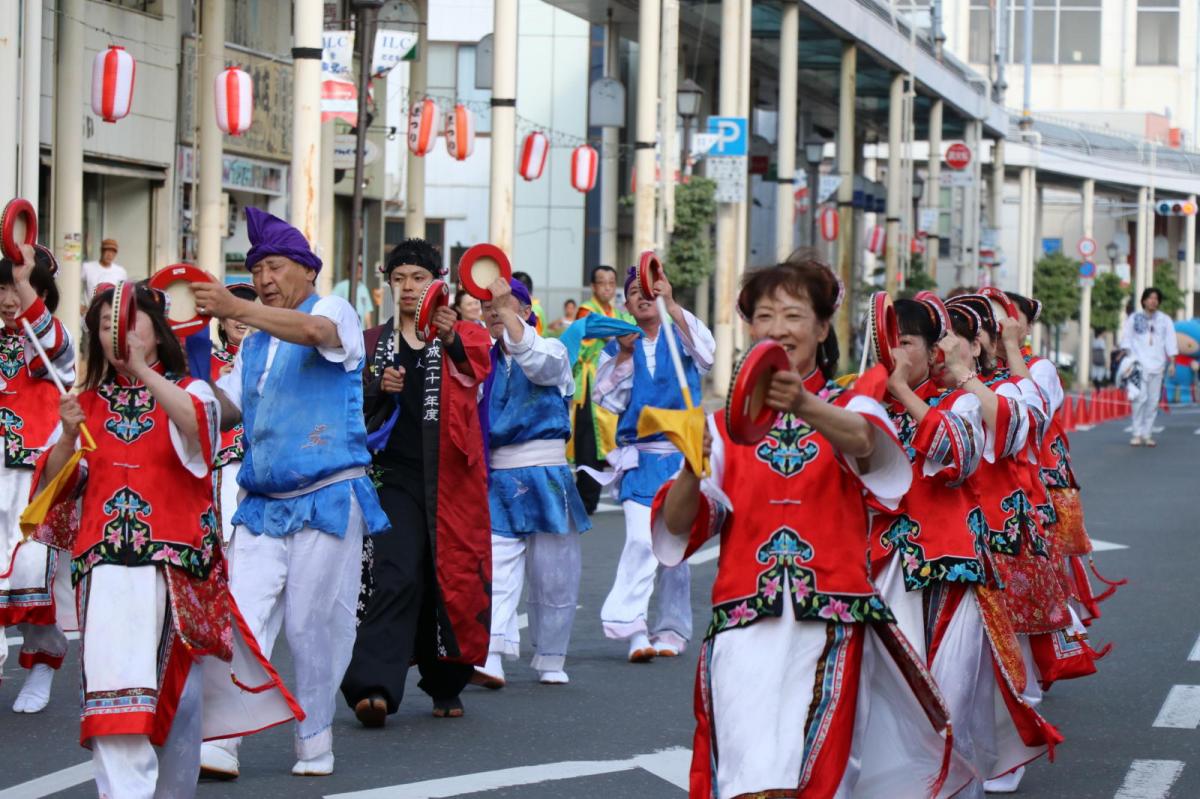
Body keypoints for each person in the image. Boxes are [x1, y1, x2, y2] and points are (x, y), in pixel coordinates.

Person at [654, 259, 967, 798]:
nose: (777, 328)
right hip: (742, 623)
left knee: (817, 776)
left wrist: (802, 402)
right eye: (765, 315)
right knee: (744, 774)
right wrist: (690, 465)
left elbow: (866, 444)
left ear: (822, 329)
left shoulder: (853, 406)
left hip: (830, 620)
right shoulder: (721, 426)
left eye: (793, 315)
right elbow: (680, 526)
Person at [32, 282, 301, 798]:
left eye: (129, 321)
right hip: (105, 571)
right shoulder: (82, 405)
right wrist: (66, 435)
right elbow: (53, 487)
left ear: (157, 332)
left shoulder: (193, 391)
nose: (118, 332)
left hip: (176, 575)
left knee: (178, 707)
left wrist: (142, 372)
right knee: (113, 701)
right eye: (106, 324)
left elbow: (200, 430)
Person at [196, 207, 390, 779]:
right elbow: (224, 409)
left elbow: (313, 335)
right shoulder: (253, 343)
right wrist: (174, 376)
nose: (264, 280)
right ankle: (224, 738)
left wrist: (234, 308)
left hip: (327, 495)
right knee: (240, 619)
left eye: (275, 267)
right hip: (261, 502)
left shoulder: (334, 310)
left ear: (308, 270)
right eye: (256, 270)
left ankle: (314, 739)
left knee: (312, 627)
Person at [340, 237, 492, 725]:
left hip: (452, 478)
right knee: (395, 571)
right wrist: (376, 388)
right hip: (392, 477)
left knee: (450, 576)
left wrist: (449, 337)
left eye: (418, 278)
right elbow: (348, 408)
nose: (408, 287)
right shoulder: (370, 343)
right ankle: (372, 686)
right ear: (387, 284)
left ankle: (446, 681)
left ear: (436, 283)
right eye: (399, 278)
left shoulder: (462, 334)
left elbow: (478, 370)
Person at [473, 277, 591, 688]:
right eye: (487, 306)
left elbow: (537, 364)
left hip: (546, 472)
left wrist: (509, 316)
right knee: (496, 567)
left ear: (525, 311)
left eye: (503, 305)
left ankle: (551, 655)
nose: (494, 312)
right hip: (498, 475)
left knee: (553, 572)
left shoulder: (552, 350)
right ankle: (490, 655)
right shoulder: (481, 363)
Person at [592, 266, 713, 662]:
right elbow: (606, 401)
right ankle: (633, 628)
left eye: (648, 289)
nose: (642, 296)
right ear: (626, 305)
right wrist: (625, 356)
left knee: (675, 549)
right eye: (633, 292)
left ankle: (672, 629)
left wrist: (673, 305)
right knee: (642, 540)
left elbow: (707, 356)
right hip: (640, 458)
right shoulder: (618, 345)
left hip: (681, 457)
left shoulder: (682, 329)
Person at [0, 244, 75, 714]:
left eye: (23, 288)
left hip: (34, 480)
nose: (10, 298)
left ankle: (43, 663)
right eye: (3, 287)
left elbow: (48, 340)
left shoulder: (56, 346)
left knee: (31, 578)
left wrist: (26, 286)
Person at [571, 266, 631, 513]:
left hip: (614, 385)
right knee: (588, 442)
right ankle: (586, 499)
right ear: (593, 287)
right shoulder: (587, 310)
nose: (607, 287)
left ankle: (597, 495)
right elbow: (582, 344)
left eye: (611, 282)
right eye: (602, 282)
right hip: (590, 383)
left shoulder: (618, 313)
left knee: (610, 441)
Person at [211, 283, 258, 543]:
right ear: (221, 320)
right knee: (229, 537)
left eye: (246, 312)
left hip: (265, 458)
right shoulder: (207, 363)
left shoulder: (269, 360)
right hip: (226, 461)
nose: (240, 321)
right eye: (233, 313)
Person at [1120, 287, 1177, 446]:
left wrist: (1172, 362)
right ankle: (1137, 433)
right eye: (1150, 298)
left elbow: (1171, 341)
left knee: (1153, 401)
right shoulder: (1134, 318)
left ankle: (1147, 434)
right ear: (1144, 300)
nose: (1153, 301)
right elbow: (1126, 339)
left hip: (1158, 366)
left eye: (1156, 299)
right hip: (1139, 366)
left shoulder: (1165, 320)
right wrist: (1130, 358)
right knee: (1139, 399)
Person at [81, 238, 127, 310]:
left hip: (110, 312)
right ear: (101, 251)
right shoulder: (87, 267)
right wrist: (79, 304)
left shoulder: (121, 271)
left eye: (113, 252)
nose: (109, 255)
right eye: (107, 251)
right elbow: (72, 284)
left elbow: (123, 293)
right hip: (90, 311)